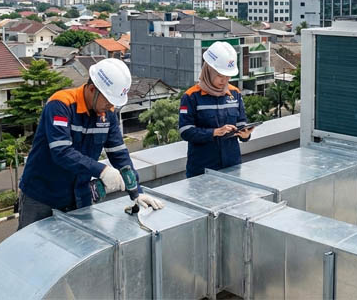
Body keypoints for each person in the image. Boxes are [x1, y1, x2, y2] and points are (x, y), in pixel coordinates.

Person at [17, 58, 164, 230]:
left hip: (79, 197)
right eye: (108, 100)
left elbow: (119, 154)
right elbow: (61, 151)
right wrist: (102, 171)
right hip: (41, 196)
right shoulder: (61, 105)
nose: (111, 106)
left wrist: (136, 192)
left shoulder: (107, 114)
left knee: (78, 244)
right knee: (33, 242)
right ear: (92, 89)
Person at [179, 41, 255, 178]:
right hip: (202, 170)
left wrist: (245, 135)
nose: (224, 80)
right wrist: (214, 132)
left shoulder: (235, 93)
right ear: (208, 70)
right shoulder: (191, 96)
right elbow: (185, 131)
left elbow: (241, 122)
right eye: (220, 75)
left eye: (228, 76)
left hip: (232, 166)